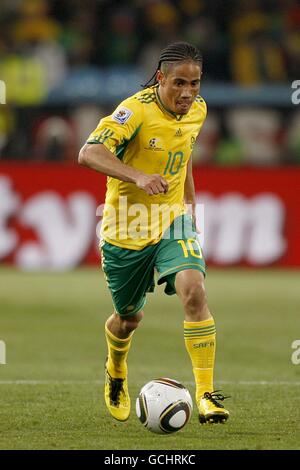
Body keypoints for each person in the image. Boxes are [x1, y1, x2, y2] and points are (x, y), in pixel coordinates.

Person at [78, 41, 229, 424]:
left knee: (194, 289)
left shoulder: (198, 110)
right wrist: (139, 176)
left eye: (195, 84)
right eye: (179, 83)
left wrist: (190, 207)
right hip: (125, 227)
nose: (188, 93)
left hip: (171, 220)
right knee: (128, 319)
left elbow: (186, 154)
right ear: (161, 78)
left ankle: (207, 395)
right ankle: (116, 367)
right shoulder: (135, 111)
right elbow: (88, 152)